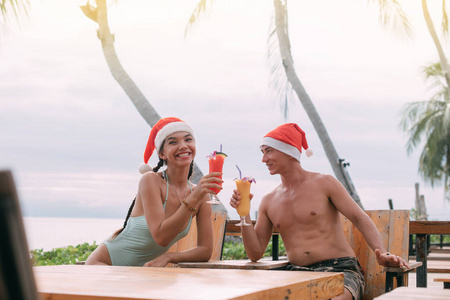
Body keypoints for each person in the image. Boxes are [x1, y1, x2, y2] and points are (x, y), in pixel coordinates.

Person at [229, 123, 410, 300]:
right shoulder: (268, 200)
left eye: (269, 151)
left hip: (339, 270)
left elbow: (359, 217)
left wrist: (382, 252)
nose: (264, 159)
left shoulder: (324, 183)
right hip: (295, 273)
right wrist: (243, 213)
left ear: (289, 151)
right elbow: (255, 253)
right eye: (262, 152)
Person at [86, 117, 222, 267]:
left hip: (141, 274)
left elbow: (205, 250)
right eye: (173, 142)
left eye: (188, 139)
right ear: (162, 154)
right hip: (104, 265)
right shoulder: (150, 181)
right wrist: (194, 198)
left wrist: (170, 257)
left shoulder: (201, 195)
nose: (183, 146)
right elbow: (161, 237)